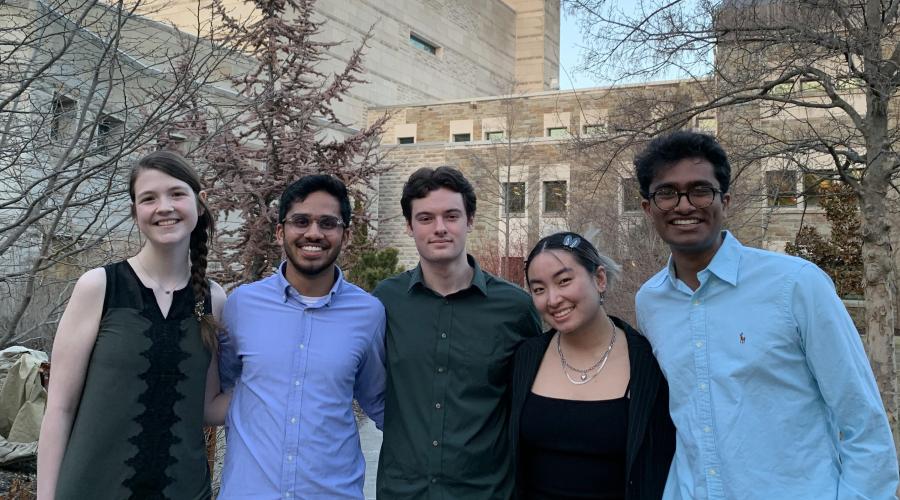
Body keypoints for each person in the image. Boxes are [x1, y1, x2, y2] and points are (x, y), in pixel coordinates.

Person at [633, 130, 899, 499]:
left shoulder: (796, 285)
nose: (684, 205)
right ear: (648, 207)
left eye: (700, 190)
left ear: (724, 200)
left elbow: (862, 419)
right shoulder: (650, 302)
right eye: (666, 193)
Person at [37, 150, 228, 499]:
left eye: (176, 194)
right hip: (91, 489)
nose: (164, 207)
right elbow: (59, 409)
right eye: (149, 198)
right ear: (135, 212)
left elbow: (207, 406)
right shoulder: (99, 287)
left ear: (199, 205)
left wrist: (289, 384)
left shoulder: (213, 299)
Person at [374, 166, 542, 499]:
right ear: (409, 227)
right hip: (403, 492)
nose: (439, 228)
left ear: (470, 220)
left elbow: (530, 405)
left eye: (451, 216)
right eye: (425, 218)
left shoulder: (515, 308)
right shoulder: (384, 302)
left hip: (486, 492)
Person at [216, 174, 385, 499]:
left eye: (327, 223)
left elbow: (377, 400)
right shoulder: (242, 305)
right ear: (281, 231)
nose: (313, 233)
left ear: (345, 235)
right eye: (301, 221)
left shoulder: (369, 314)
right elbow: (226, 387)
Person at [510, 231, 675, 500]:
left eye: (564, 281)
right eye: (539, 289)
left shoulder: (649, 362)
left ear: (599, 278)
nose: (552, 299)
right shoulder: (525, 359)